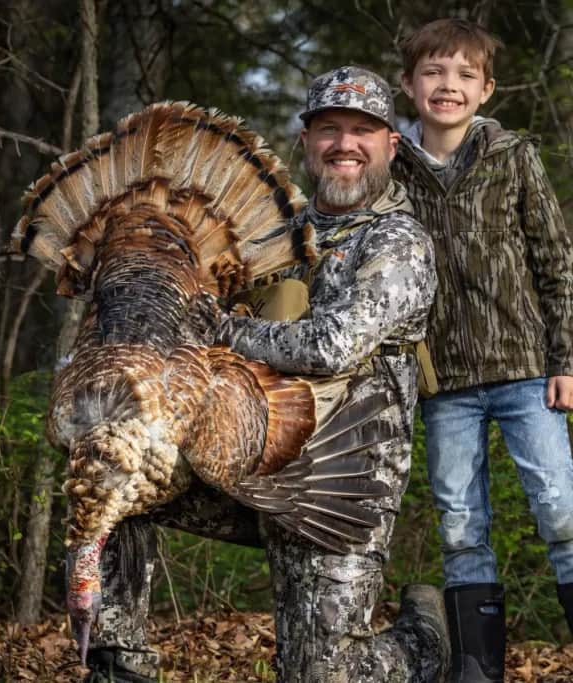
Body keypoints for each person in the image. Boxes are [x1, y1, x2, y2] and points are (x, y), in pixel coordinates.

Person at [84, 67, 449, 683]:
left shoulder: (399, 241)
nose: (344, 144)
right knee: (112, 483)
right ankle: (121, 665)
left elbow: (332, 346)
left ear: (391, 144)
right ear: (306, 140)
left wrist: (223, 328)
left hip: (340, 479)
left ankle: (427, 641)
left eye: (363, 131)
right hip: (245, 457)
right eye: (329, 128)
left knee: (320, 674)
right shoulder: (273, 229)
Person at [392, 18, 573, 682]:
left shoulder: (513, 154)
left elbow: (555, 261)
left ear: (487, 89)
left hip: (527, 368)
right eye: (434, 72)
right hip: (444, 384)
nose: (448, 85)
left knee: (561, 509)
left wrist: (566, 362)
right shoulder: (393, 165)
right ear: (410, 84)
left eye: (465, 74)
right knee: (461, 524)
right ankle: (476, 668)